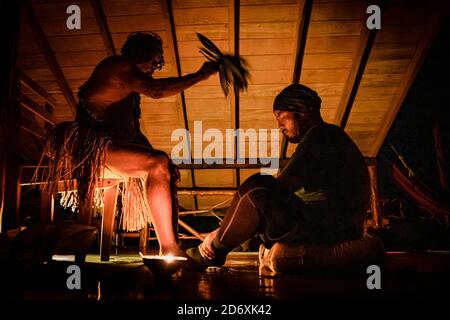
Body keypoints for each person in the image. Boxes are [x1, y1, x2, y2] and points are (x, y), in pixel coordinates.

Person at [37, 32, 216, 258]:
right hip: (87, 148)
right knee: (157, 163)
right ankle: (169, 249)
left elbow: (133, 134)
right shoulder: (118, 66)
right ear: (143, 55)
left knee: (164, 166)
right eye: (154, 61)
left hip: (109, 148)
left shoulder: (130, 91)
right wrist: (200, 75)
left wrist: (163, 162)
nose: (155, 67)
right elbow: (157, 90)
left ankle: (173, 246)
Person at [186, 84, 371, 268]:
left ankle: (211, 252)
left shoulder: (322, 135)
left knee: (257, 187)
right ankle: (214, 247)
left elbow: (281, 187)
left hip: (332, 227)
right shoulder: (326, 136)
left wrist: (218, 232)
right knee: (257, 209)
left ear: (300, 112)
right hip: (329, 223)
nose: (279, 126)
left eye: (282, 117)